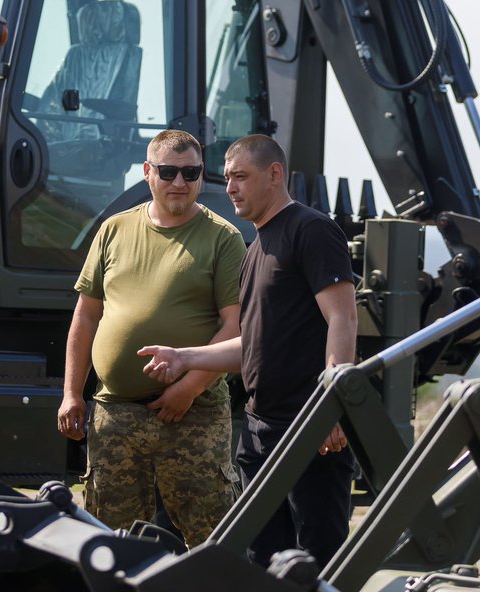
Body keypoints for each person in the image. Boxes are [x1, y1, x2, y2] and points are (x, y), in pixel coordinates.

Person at [137, 133, 358, 566]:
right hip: (260, 433)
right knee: (260, 559)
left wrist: (333, 405)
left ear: (274, 174)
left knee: (318, 560)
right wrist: (186, 357)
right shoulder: (255, 248)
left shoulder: (311, 230)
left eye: (240, 176)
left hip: (310, 429)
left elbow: (343, 318)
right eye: (228, 178)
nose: (230, 187)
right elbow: (254, 345)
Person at [56, 129, 244, 547]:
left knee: (212, 538)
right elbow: (86, 317)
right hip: (116, 412)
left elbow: (235, 328)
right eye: (169, 171)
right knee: (112, 541)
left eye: (191, 172)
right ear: (147, 172)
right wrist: (72, 393)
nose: (180, 182)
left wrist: (189, 388)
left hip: (194, 414)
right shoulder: (113, 230)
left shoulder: (223, 238)